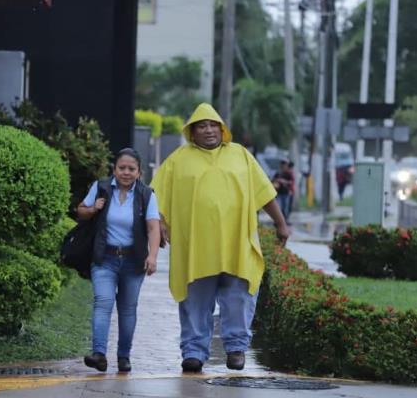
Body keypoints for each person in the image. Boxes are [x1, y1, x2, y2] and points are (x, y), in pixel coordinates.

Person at [151, 103, 290, 373]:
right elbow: (155, 197)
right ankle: (193, 351)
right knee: (194, 301)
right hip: (196, 248)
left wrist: (281, 224)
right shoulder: (179, 159)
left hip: (236, 246)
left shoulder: (240, 156)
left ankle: (236, 348)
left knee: (238, 298)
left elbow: (265, 193)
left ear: (222, 128)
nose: (208, 130)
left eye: (213, 125)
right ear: (192, 131)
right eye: (201, 126)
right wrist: (160, 225)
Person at [76, 148, 161, 373]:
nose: (126, 172)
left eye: (131, 169)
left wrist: (152, 256)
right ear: (114, 170)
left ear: (139, 172)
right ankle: (99, 354)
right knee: (102, 303)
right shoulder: (101, 187)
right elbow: (80, 211)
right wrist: (94, 208)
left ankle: (124, 356)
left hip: (134, 262)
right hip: (105, 258)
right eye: (121, 168)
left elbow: (154, 228)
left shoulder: (146, 195)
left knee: (127, 309)